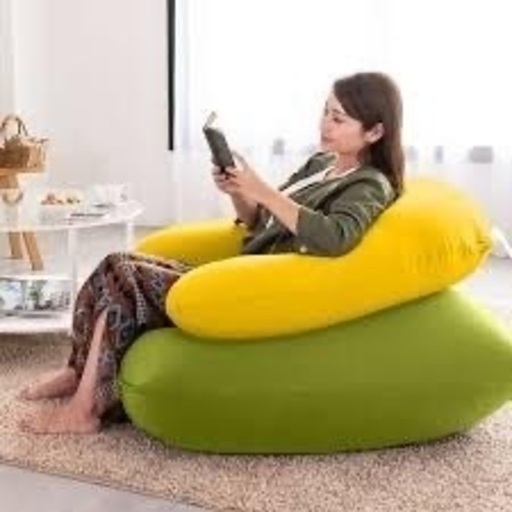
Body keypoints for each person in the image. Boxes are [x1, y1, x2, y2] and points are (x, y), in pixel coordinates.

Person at [18, 71, 405, 434]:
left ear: (374, 131)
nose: (325, 124)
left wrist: (261, 189)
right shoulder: (321, 164)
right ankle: (78, 370)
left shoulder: (369, 184)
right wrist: (239, 193)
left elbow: (337, 237)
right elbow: (261, 222)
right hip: (239, 272)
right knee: (113, 264)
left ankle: (85, 410)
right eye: (325, 112)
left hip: (262, 289)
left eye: (339, 119)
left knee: (124, 273)